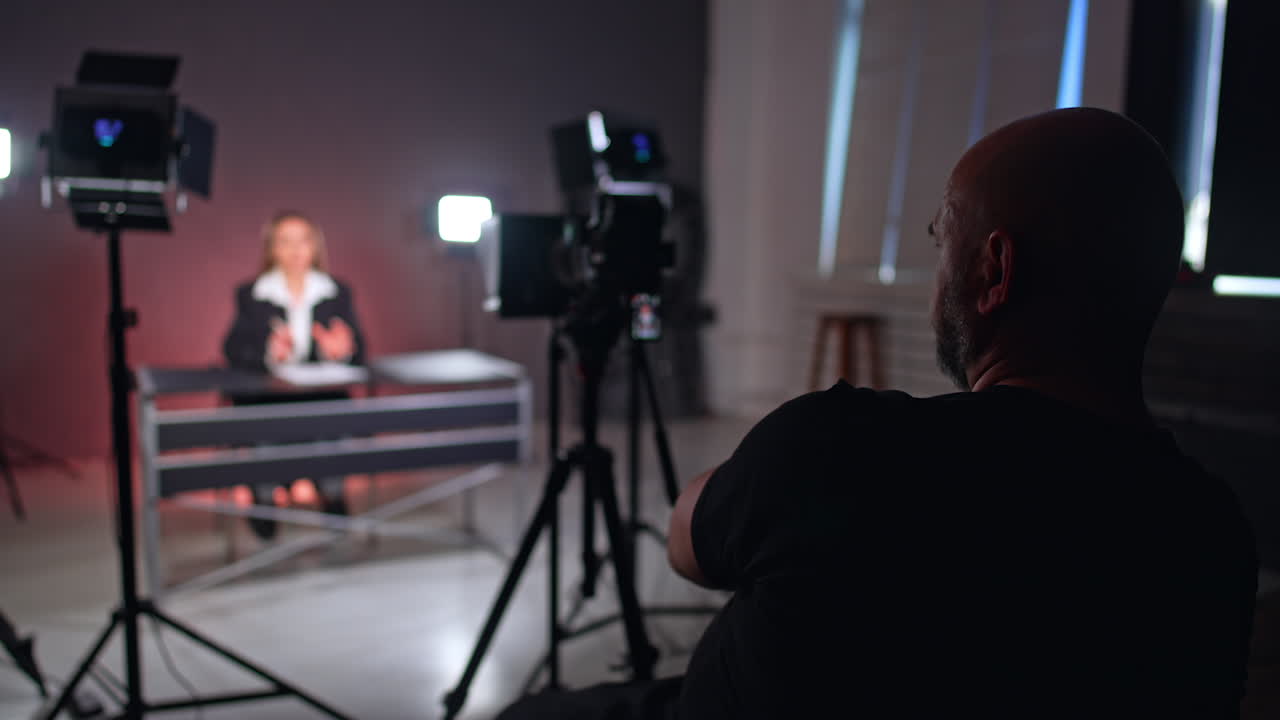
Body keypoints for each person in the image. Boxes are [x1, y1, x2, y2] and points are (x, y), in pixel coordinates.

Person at [498, 108, 1258, 719]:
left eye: (942, 237)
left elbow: (686, 541)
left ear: (995, 270)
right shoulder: (1213, 537)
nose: (937, 267)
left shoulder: (844, 450)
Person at [222, 211, 366, 539]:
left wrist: (341, 349)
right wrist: (270, 351)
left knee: (331, 426)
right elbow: (233, 349)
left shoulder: (337, 292)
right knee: (266, 430)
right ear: (271, 249)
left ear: (315, 246)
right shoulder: (252, 294)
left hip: (324, 400)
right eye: (284, 242)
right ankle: (264, 500)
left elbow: (360, 350)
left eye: (303, 241)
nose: (295, 250)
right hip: (270, 401)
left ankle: (331, 494)